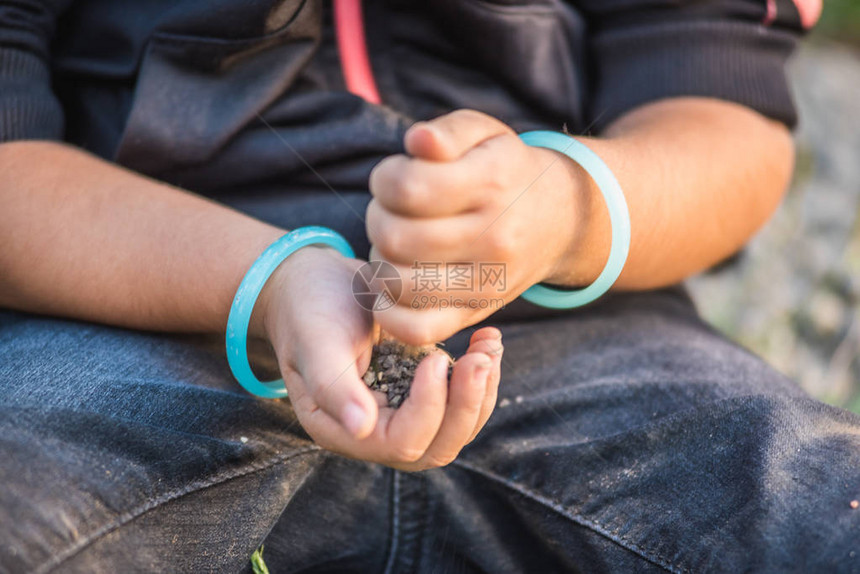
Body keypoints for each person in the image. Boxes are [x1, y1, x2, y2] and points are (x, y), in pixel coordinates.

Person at [1, 0, 857, 572]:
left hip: (583, 338)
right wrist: (273, 279)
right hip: (123, 326)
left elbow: (721, 114)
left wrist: (566, 207)